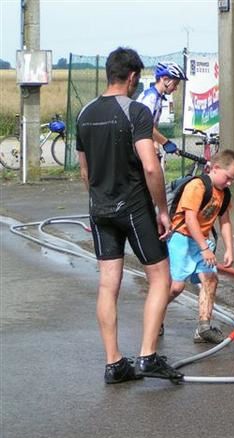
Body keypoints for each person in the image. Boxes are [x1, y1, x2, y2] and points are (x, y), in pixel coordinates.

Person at [76, 47, 183, 383]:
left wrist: (97, 203)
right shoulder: (135, 111)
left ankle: (114, 363)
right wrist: (162, 210)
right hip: (133, 207)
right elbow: (151, 167)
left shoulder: (84, 114)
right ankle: (147, 356)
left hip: (100, 208)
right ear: (133, 77)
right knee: (160, 279)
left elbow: (84, 171)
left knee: (108, 284)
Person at [166, 149, 234, 344]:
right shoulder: (197, 186)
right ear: (215, 168)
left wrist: (230, 249)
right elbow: (190, 219)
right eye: (228, 178)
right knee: (176, 287)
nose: (229, 182)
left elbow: (225, 221)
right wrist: (204, 248)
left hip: (201, 242)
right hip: (182, 239)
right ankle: (156, 313)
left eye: (233, 179)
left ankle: (203, 328)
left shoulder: (224, 194)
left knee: (210, 279)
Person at [136, 61, 188, 164]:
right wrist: (166, 142)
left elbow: (152, 126)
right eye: (175, 84)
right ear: (165, 79)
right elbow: (145, 126)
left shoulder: (158, 97)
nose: (176, 88)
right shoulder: (151, 97)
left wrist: (156, 145)